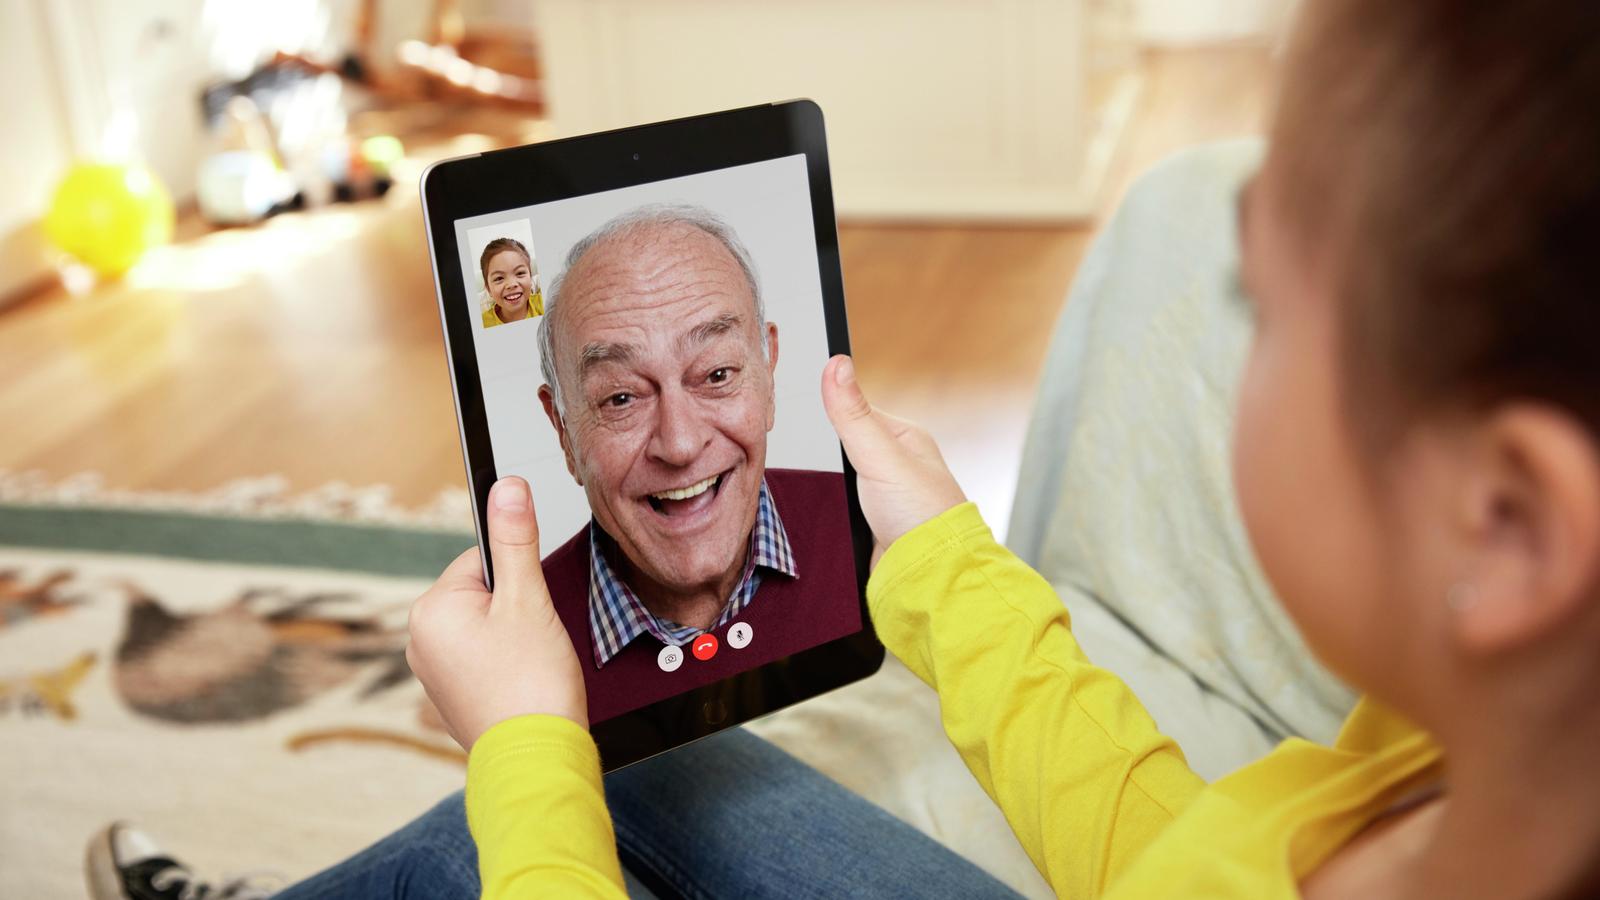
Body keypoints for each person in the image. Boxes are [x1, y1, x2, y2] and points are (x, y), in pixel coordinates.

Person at [86, 0, 1600, 896]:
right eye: (619, 393)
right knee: (669, 772)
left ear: (1509, 528)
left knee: (571, 782)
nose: (679, 435)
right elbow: (1178, 862)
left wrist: (527, 756)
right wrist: (943, 564)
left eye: (1259, 304)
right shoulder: (1446, 789)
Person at [526, 204, 858, 722]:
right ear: (563, 430)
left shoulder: (873, 532)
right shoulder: (521, 644)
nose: (679, 445)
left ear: (768, 372)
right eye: (620, 399)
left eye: (717, 374)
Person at [479, 237, 542, 328]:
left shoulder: (545, 304)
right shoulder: (482, 324)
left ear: (530, 278)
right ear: (488, 289)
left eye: (520, 273)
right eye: (499, 278)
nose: (512, 284)